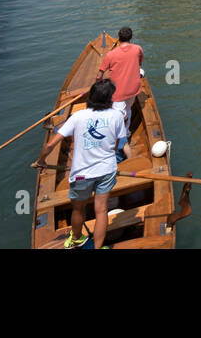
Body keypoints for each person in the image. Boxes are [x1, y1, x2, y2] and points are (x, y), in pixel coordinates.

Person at [33, 78, 129, 248]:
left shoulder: (77, 116)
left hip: (82, 174)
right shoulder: (117, 116)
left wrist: (41, 161)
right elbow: (115, 146)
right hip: (107, 170)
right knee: (101, 211)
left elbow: (50, 144)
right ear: (109, 99)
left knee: (78, 209)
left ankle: (76, 238)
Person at [98, 26, 144, 141]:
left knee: (118, 116)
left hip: (118, 92)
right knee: (128, 109)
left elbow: (99, 75)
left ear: (118, 38)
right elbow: (139, 63)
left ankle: (119, 139)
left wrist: (97, 86)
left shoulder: (110, 55)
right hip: (134, 89)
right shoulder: (138, 49)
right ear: (131, 37)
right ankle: (127, 132)